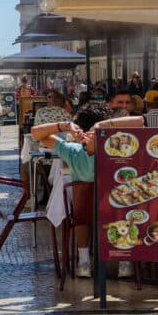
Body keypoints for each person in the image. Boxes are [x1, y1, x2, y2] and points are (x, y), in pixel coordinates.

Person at [31, 101, 112, 278]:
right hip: (114, 212)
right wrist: (103, 127)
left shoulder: (73, 152)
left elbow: (37, 134)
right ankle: (125, 263)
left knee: (81, 216)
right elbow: (139, 122)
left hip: (84, 211)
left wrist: (65, 126)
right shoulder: (118, 151)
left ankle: (83, 262)